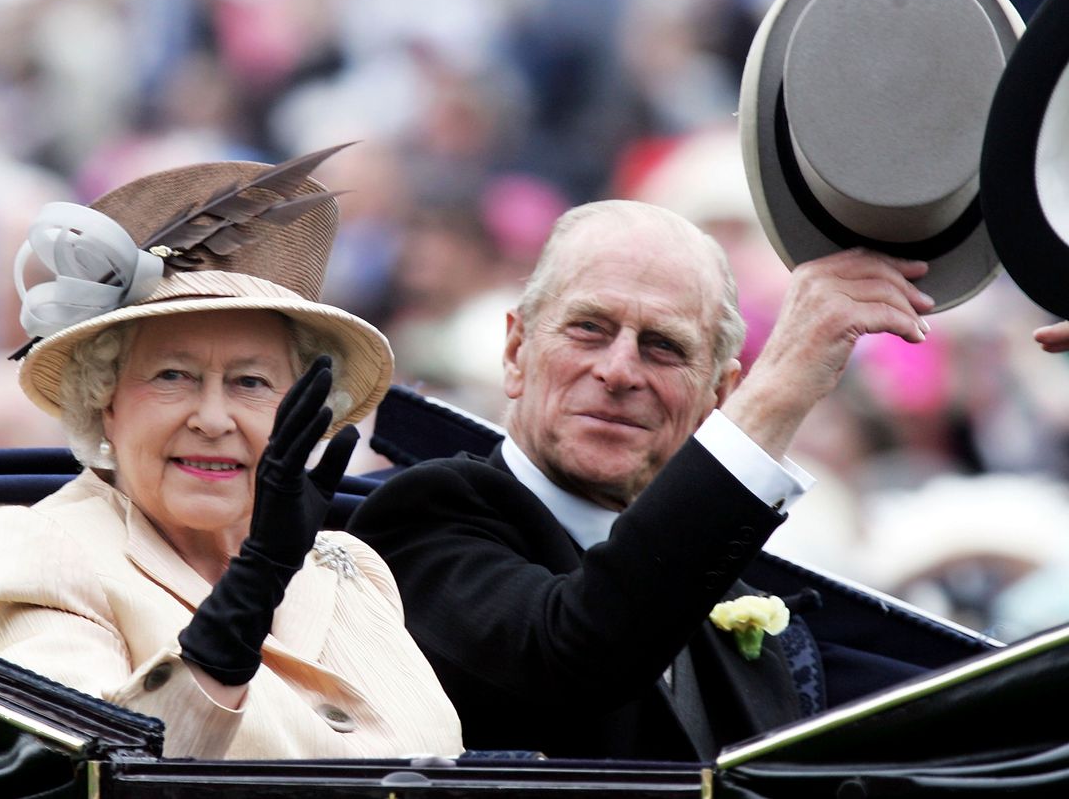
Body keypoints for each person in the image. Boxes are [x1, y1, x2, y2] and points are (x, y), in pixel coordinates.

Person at [347, 199, 933, 760]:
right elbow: (578, 650)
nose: (619, 370)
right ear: (516, 351)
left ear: (717, 396)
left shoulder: (731, 598)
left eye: (663, 346)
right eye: (589, 328)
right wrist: (784, 384)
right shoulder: (419, 519)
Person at [0, 148, 463, 760]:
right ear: (104, 399)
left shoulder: (351, 567)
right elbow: (90, 776)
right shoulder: (37, 552)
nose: (213, 419)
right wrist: (254, 584)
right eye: (172, 376)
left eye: (250, 383)